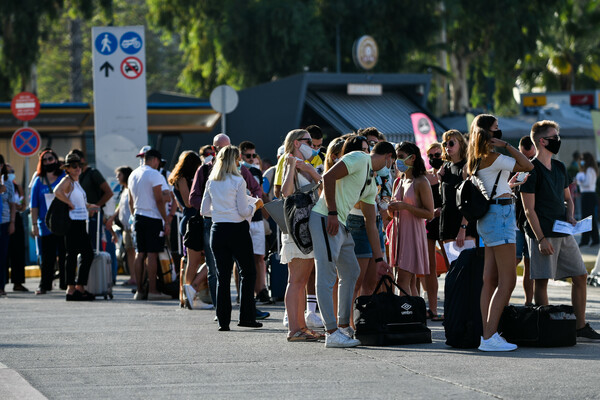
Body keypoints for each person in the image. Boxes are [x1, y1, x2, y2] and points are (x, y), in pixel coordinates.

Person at [309, 140, 395, 348]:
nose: (391, 167)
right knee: (327, 273)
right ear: (388, 157)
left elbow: (371, 224)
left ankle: (343, 326)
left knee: (351, 271)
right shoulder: (359, 157)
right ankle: (331, 332)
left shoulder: (371, 183)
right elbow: (328, 177)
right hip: (324, 217)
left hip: (341, 223)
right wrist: (331, 212)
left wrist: (379, 259)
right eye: (391, 162)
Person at [521, 120, 600, 341]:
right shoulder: (530, 169)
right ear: (542, 141)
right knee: (542, 280)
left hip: (564, 231)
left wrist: (570, 214)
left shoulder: (560, 167)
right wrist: (541, 238)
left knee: (581, 275)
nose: (558, 140)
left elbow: (568, 199)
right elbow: (529, 210)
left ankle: (580, 326)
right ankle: (546, 328)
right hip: (543, 233)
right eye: (555, 137)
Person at [466, 114, 533, 352]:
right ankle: (489, 335)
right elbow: (528, 165)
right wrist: (507, 146)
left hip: (489, 216)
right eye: (496, 129)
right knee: (508, 279)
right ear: (487, 133)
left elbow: (494, 182)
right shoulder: (494, 157)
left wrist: (508, 185)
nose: (500, 131)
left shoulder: (474, 159)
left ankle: (487, 334)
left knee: (490, 280)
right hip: (500, 217)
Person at [190, 133, 269, 320]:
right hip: (236, 228)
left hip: (217, 228)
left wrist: (220, 211)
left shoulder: (211, 180)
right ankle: (246, 317)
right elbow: (243, 210)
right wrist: (254, 206)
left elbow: (203, 210)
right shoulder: (237, 179)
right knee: (247, 272)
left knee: (221, 276)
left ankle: (223, 319)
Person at [280, 129, 323, 341]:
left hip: (304, 228)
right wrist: (292, 167)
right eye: (309, 142)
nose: (313, 147)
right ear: (297, 143)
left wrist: (309, 170)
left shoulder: (305, 165)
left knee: (301, 279)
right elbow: (286, 193)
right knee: (296, 280)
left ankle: (301, 326)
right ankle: (295, 328)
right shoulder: (288, 162)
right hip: (298, 229)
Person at [388, 142, 434, 295]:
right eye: (396, 157)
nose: (397, 161)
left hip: (413, 235)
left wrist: (406, 207)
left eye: (401, 157)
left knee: (402, 282)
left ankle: (405, 315)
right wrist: (390, 208)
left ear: (412, 158)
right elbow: (394, 214)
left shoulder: (421, 181)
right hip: (398, 235)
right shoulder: (398, 182)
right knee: (409, 282)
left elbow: (429, 213)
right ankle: (413, 315)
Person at [53, 152, 99, 301]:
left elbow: (78, 202)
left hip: (79, 221)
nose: (77, 168)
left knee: (76, 255)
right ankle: (74, 288)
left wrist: (88, 206)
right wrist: (69, 203)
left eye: (79, 165)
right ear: (67, 168)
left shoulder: (76, 182)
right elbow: (56, 191)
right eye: (73, 166)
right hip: (73, 222)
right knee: (81, 254)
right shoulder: (68, 180)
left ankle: (75, 288)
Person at [128, 149, 172, 301]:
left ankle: (139, 291)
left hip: (138, 216)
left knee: (140, 254)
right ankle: (152, 290)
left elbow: (130, 201)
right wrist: (166, 219)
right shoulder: (155, 174)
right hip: (153, 217)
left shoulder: (133, 174)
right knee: (152, 254)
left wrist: (134, 216)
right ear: (154, 160)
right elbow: (160, 199)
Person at [168, 151, 209, 309]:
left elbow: (181, 204)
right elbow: (188, 202)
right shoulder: (183, 179)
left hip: (189, 219)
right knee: (194, 260)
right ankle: (190, 292)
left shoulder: (178, 179)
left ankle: (187, 295)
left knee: (191, 260)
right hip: (192, 220)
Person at [70, 149, 116, 280]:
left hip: (94, 217)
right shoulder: (73, 178)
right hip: (79, 216)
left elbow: (109, 192)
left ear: (82, 161)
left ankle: (105, 277)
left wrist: (96, 207)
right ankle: (87, 278)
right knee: (81, 248)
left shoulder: (93, 173)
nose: (74, 166)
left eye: (76, 162)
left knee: (96, 247)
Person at [30, 149, 67, 294]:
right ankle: (44, 285)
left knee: (65, 255)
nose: (47, 162)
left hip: (63, 223)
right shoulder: (38, 181)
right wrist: (34, 225)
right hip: (45, 225)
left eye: (50, 159)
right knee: (47, 258)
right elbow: (33, 206)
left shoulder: (64, 177)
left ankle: (66, 284)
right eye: (44, 160)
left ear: (56, 160)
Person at [239, 140, 269, 304]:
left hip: (256, 218)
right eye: (248, 156)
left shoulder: (256, 172)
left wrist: (267, 213)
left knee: (259, 257)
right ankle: (243, 292)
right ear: (241, 155)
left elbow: (261, 195)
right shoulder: (238, 172)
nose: (251, 158)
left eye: (253, 155)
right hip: (243, 219)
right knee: (243, 257)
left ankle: (261, 290)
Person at [439, 130, 477, 249]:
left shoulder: (466, 167)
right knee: (452, 266)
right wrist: (439, 178)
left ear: (461, 144)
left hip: (463, 222)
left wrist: (463, 227)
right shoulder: (445, 167)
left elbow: (470, 200)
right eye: (445, 144)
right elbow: (445, 197)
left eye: (451, 143)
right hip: (447, 221)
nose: (447, 147)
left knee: (468, 265)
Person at [513, 135, 536, 305]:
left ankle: (529, 303)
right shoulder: (514, 165)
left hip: (530, 222)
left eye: (529, 157)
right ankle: (503, 300)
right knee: (513, 261)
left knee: (529, 264)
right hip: (515, 221)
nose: (527, 161)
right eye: (524, 156)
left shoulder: (538, 166)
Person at [424, 142, 444, 319]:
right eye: (430, 156)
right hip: (429, 223)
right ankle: (433, 308)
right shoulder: (425, 177)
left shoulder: (452, 173)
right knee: (430, 268)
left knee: (453, 265)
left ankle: (454, 306)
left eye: (437, 155)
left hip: (447, 224)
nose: (433, 159)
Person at [106, 166, 135, 286]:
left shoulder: (131, 188)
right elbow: (120, 207)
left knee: (133, 252)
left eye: (119, 175)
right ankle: (133, 276)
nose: (117, 178)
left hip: (131, 226)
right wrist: (113, 217)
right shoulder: (124, 189)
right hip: (125, 227)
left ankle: (137, 277)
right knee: (129, 251)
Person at [6, 164, 28, 292]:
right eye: (8, 171)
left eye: (12, 171)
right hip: (3, 219)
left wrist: (19, 206)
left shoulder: (17, 186)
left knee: (18, 252)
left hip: (17, 219)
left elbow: (23, 205)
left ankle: (18, 282)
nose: (11, 174)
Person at [0, 154, 16, 297]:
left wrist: (12, 222)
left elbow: (12, 204)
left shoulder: (8, 183)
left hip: (4, 222)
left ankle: (1, 286)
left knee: (2, 255)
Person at [576, 152, 599, 246]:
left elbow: (588, 183)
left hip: (588, 195)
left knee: (587, 218)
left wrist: (579, 182)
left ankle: (587, 239)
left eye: (582, 159)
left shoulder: (590, 169)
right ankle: (593, 238)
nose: (581, 161)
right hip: (587, 195)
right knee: (588, 218)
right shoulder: (588, 170)